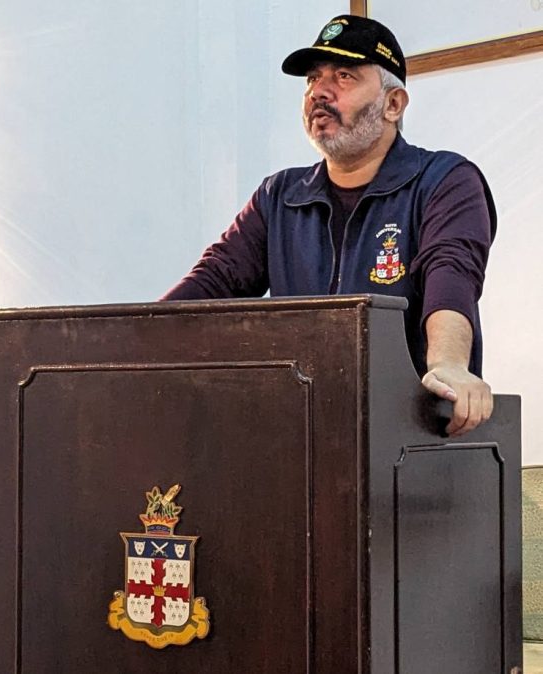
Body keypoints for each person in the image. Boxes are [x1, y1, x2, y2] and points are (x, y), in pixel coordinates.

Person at [161, 15, 495, 437]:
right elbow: (214, 280)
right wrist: (132, 344)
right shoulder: (280, 196)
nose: (319, 91)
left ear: (393, 104)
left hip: (407, 436)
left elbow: (451, 273)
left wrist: (448, 364)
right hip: (296, 435)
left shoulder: (444, 180)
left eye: (344, 76)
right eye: (313, 79)